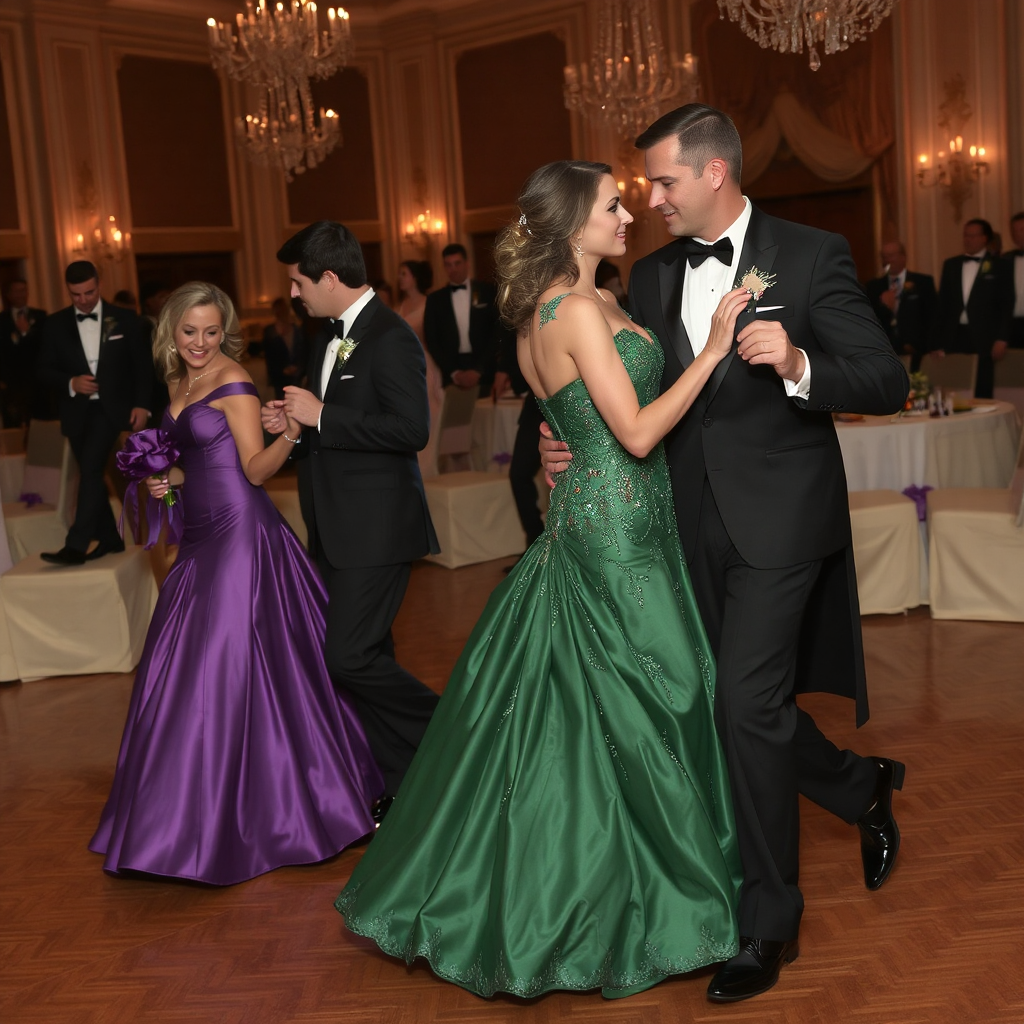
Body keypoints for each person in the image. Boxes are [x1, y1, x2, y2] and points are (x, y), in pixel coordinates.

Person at [335, 160, 747, 999]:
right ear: (570, 224)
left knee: (613, 704)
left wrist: (558, 459)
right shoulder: (571, 310)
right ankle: (658, 898)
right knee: (657, 696)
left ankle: (605, 881)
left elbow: (568, 426)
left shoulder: (555, 310)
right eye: (612, 205)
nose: (629, 213)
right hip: (618, 528)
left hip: (599, 517)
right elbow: (631, 435)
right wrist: (710, 353)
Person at [541, 104, 909, 1003]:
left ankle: (765, 923)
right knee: (725, 705)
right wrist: (559, 444)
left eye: (663, 181)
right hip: (674, 525)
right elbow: (599, 381)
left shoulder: (812, 251)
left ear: (713, 174)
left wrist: (799, 363)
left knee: (746, 703)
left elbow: (887, 380)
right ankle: (859, 786)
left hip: (781, 523)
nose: (651, 200)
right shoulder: (654, 275)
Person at [89, 281, 382, 884]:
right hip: (197, 536)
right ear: (172, 331)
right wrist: (162, 478)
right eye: (189, 331)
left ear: (226, 331)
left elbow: (254, 469)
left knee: (226, 666)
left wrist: (293, 434)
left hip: (241, 537)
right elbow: (194, 460)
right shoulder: (177, 382)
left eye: (211, 331)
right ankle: (171, 824)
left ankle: (249, 820)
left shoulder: (235, 383)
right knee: (178, 667)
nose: (200, 342)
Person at [262, 221, 440, 818]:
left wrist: (321, 418)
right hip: (336, 528)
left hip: (376, 529)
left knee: (349, 658)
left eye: (297, 282)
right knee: (368, 658)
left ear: (330, 278)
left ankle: (452, 732)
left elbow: (411, 430)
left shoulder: (390, 337)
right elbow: (330, 425)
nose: (293, 293)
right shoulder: (329, 335)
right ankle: (407, 781)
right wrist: (292, 424)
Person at [37, 260, 151, 565]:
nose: (84, 300)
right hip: (75, 411)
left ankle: (76, 544)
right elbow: (43, 370)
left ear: (99, 285)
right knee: (92, 477)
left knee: (89, 468)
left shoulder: (125, 320)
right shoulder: (55, 324)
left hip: (112, 410)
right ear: (68, 292)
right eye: (76, 295)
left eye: (89, 292)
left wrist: (142, 404)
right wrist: (71, 382)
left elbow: (143, 368)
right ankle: (111, 540)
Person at [936, 218, 1011, 398]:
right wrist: (936, 341)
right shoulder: (951, 265)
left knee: (982, 388)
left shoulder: (1000, 265)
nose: (968, 240)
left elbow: (1006, 304)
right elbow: (942, 305)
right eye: (965, 235)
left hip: (985, 336)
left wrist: (1002, 337)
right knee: (955, 387)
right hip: (955, 335)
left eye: (973, 236)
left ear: (984, 238)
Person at [423, 242, 499, 397]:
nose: (453, 269)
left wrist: (479, 369)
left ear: (467, 263)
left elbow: (497, 333)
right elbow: (431, 339)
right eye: (448, 265)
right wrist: (454, 372)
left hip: (484, 368)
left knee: (486, 419)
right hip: (451, 372)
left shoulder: (487, 292)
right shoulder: (435, 299)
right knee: (455, 419)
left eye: (457, 263)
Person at [396, 259, 443, 478]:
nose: (400, 278)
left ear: (414, 277)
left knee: (429, 416)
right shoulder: (400, 305)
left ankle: (427, 469)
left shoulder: (428, 303)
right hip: (403, 366)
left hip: (424, 365)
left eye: (404, 273)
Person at [864, 240, 938, 370]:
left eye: (891, 255)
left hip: (917, 352)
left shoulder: (923, 282)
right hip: (886, 352)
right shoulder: (873, 287)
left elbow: (933, 317)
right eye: (884, 256)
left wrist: (932, 346)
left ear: (903, 257)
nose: (887, 260)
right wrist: (884, 306)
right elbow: (869, 320)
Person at [0, 278, 47, 426]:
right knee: (12, 425)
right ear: (8, 295)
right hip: (10, 385)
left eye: (24, 290)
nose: (21, 295)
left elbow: (44, 345)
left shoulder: (40, 316)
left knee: (40, 426)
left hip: (37, 384)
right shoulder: (1, 320)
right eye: (17, 291)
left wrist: (27, 333)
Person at [262, 296, 307, 399]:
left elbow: (302, 352)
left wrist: (298, 368)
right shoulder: (270, 332)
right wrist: (281, 370)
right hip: (279, 378)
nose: (282, 312)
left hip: (297, 376)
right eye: (279, 310)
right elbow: (269, 358)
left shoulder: (297, 330)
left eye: (283, 309)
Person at [1001, 211, 1024, 351]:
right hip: (1012, 326)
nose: (1017, 234)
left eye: (1022, 230)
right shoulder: (1005, 260)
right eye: (1014, 231)